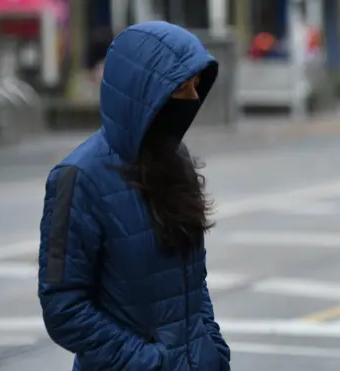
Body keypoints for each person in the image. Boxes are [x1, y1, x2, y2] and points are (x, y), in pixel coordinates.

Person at [37, 21, 230, 370]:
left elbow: (193, 281)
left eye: (196, 86)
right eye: (182, 87)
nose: (194, 97)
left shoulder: (176, 159)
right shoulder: (77, 177)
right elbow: (63, 308)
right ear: (144, 92)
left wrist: (212, 347)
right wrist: (147, 362)